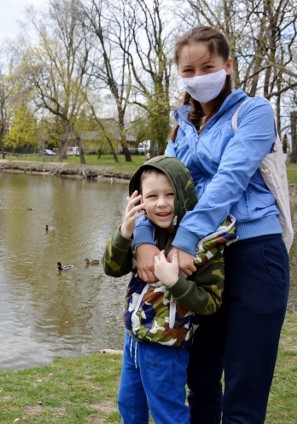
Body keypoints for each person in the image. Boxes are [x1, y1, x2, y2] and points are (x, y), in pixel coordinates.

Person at [132, 26, 290, 423]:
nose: (198, 76)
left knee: (244, 387)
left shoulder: (253, 112)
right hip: (202, 262)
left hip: (255, 255)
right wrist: (143, 240)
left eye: (208, 66)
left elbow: (229, 181)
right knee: (200, 380)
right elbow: (155, 187)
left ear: (228, 65)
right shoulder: (181, 126)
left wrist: (184, 239)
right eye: (189, 70)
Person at [103, 156, 235, 424]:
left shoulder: (202, 244)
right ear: (139, 200)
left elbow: (210, 302)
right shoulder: (145, 236)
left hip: (166, 349)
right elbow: (112, 268)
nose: (161, 203)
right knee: (129, 405)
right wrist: (124, 233)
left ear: (184, 195)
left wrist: (175, 282)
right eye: (152, 196)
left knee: (168, 415)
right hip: (134, 342)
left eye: (169, 194)